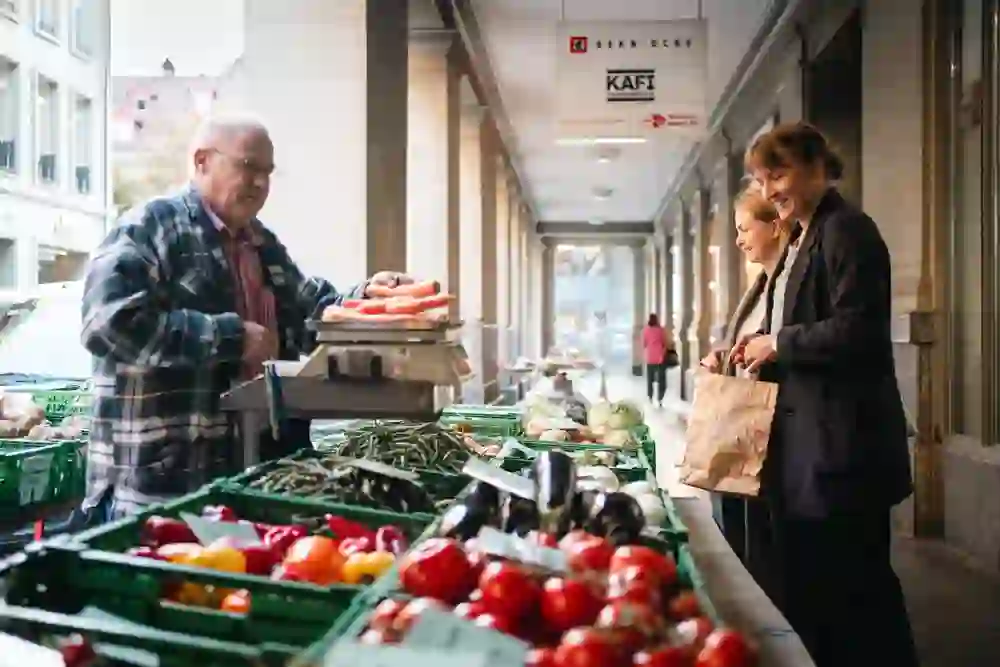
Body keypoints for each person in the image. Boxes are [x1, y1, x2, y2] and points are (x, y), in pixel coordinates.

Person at [81, 114, 415, 518]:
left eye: (267, 172)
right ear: (202, 161)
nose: (260, 183)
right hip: (162, 484)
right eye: (247, 167)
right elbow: (107, 324)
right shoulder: (149, 228)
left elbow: (311, 314)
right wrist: (231, 338)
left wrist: (369, 298)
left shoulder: (262, 244)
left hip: (245, 477)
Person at [730, 122, 918, 667]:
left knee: (860, 594)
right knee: (826, 591)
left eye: (778, 175)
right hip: (814, 451)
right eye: (762, 180)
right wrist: (758, 348)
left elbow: (858, 330)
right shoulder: (806, 236)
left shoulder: (847, 231)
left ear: (817, 167)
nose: (769, 191)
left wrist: (777, 343)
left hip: (843, 451)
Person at [699, 186, 792, 601]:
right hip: (747, 424)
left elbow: (779, 345)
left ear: (775, 226)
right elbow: (750, 342)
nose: (738, 240)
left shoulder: (790, 283)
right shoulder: (761, 284)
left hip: (769, 430)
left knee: (765, 548)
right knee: (739, 530)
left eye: (744, 229)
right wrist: (723, 355)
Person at [641, 313, 672, 407]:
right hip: (660, 358)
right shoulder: (661, 330)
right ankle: (660, 398)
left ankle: (650, 396)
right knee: (661, 379)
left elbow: (644, 344)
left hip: (650, 358)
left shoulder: (645, 330)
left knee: (650, 379)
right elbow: (665, 343)